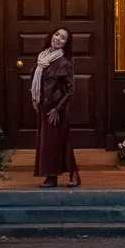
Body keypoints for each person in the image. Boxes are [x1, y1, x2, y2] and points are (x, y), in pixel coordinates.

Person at [29, 27, 80, 188]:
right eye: (57, 34)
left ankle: (54, 176)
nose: (58, 38)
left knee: (54, 141)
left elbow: (70, 90)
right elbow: (37, 81)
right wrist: (34, 98)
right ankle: (71, 174)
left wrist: (58, 109)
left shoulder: (64, 62)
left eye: (63, 37)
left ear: (66, 43)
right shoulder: (43, 57)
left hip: (56, 109)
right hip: (44, 106)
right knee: (53, 141)